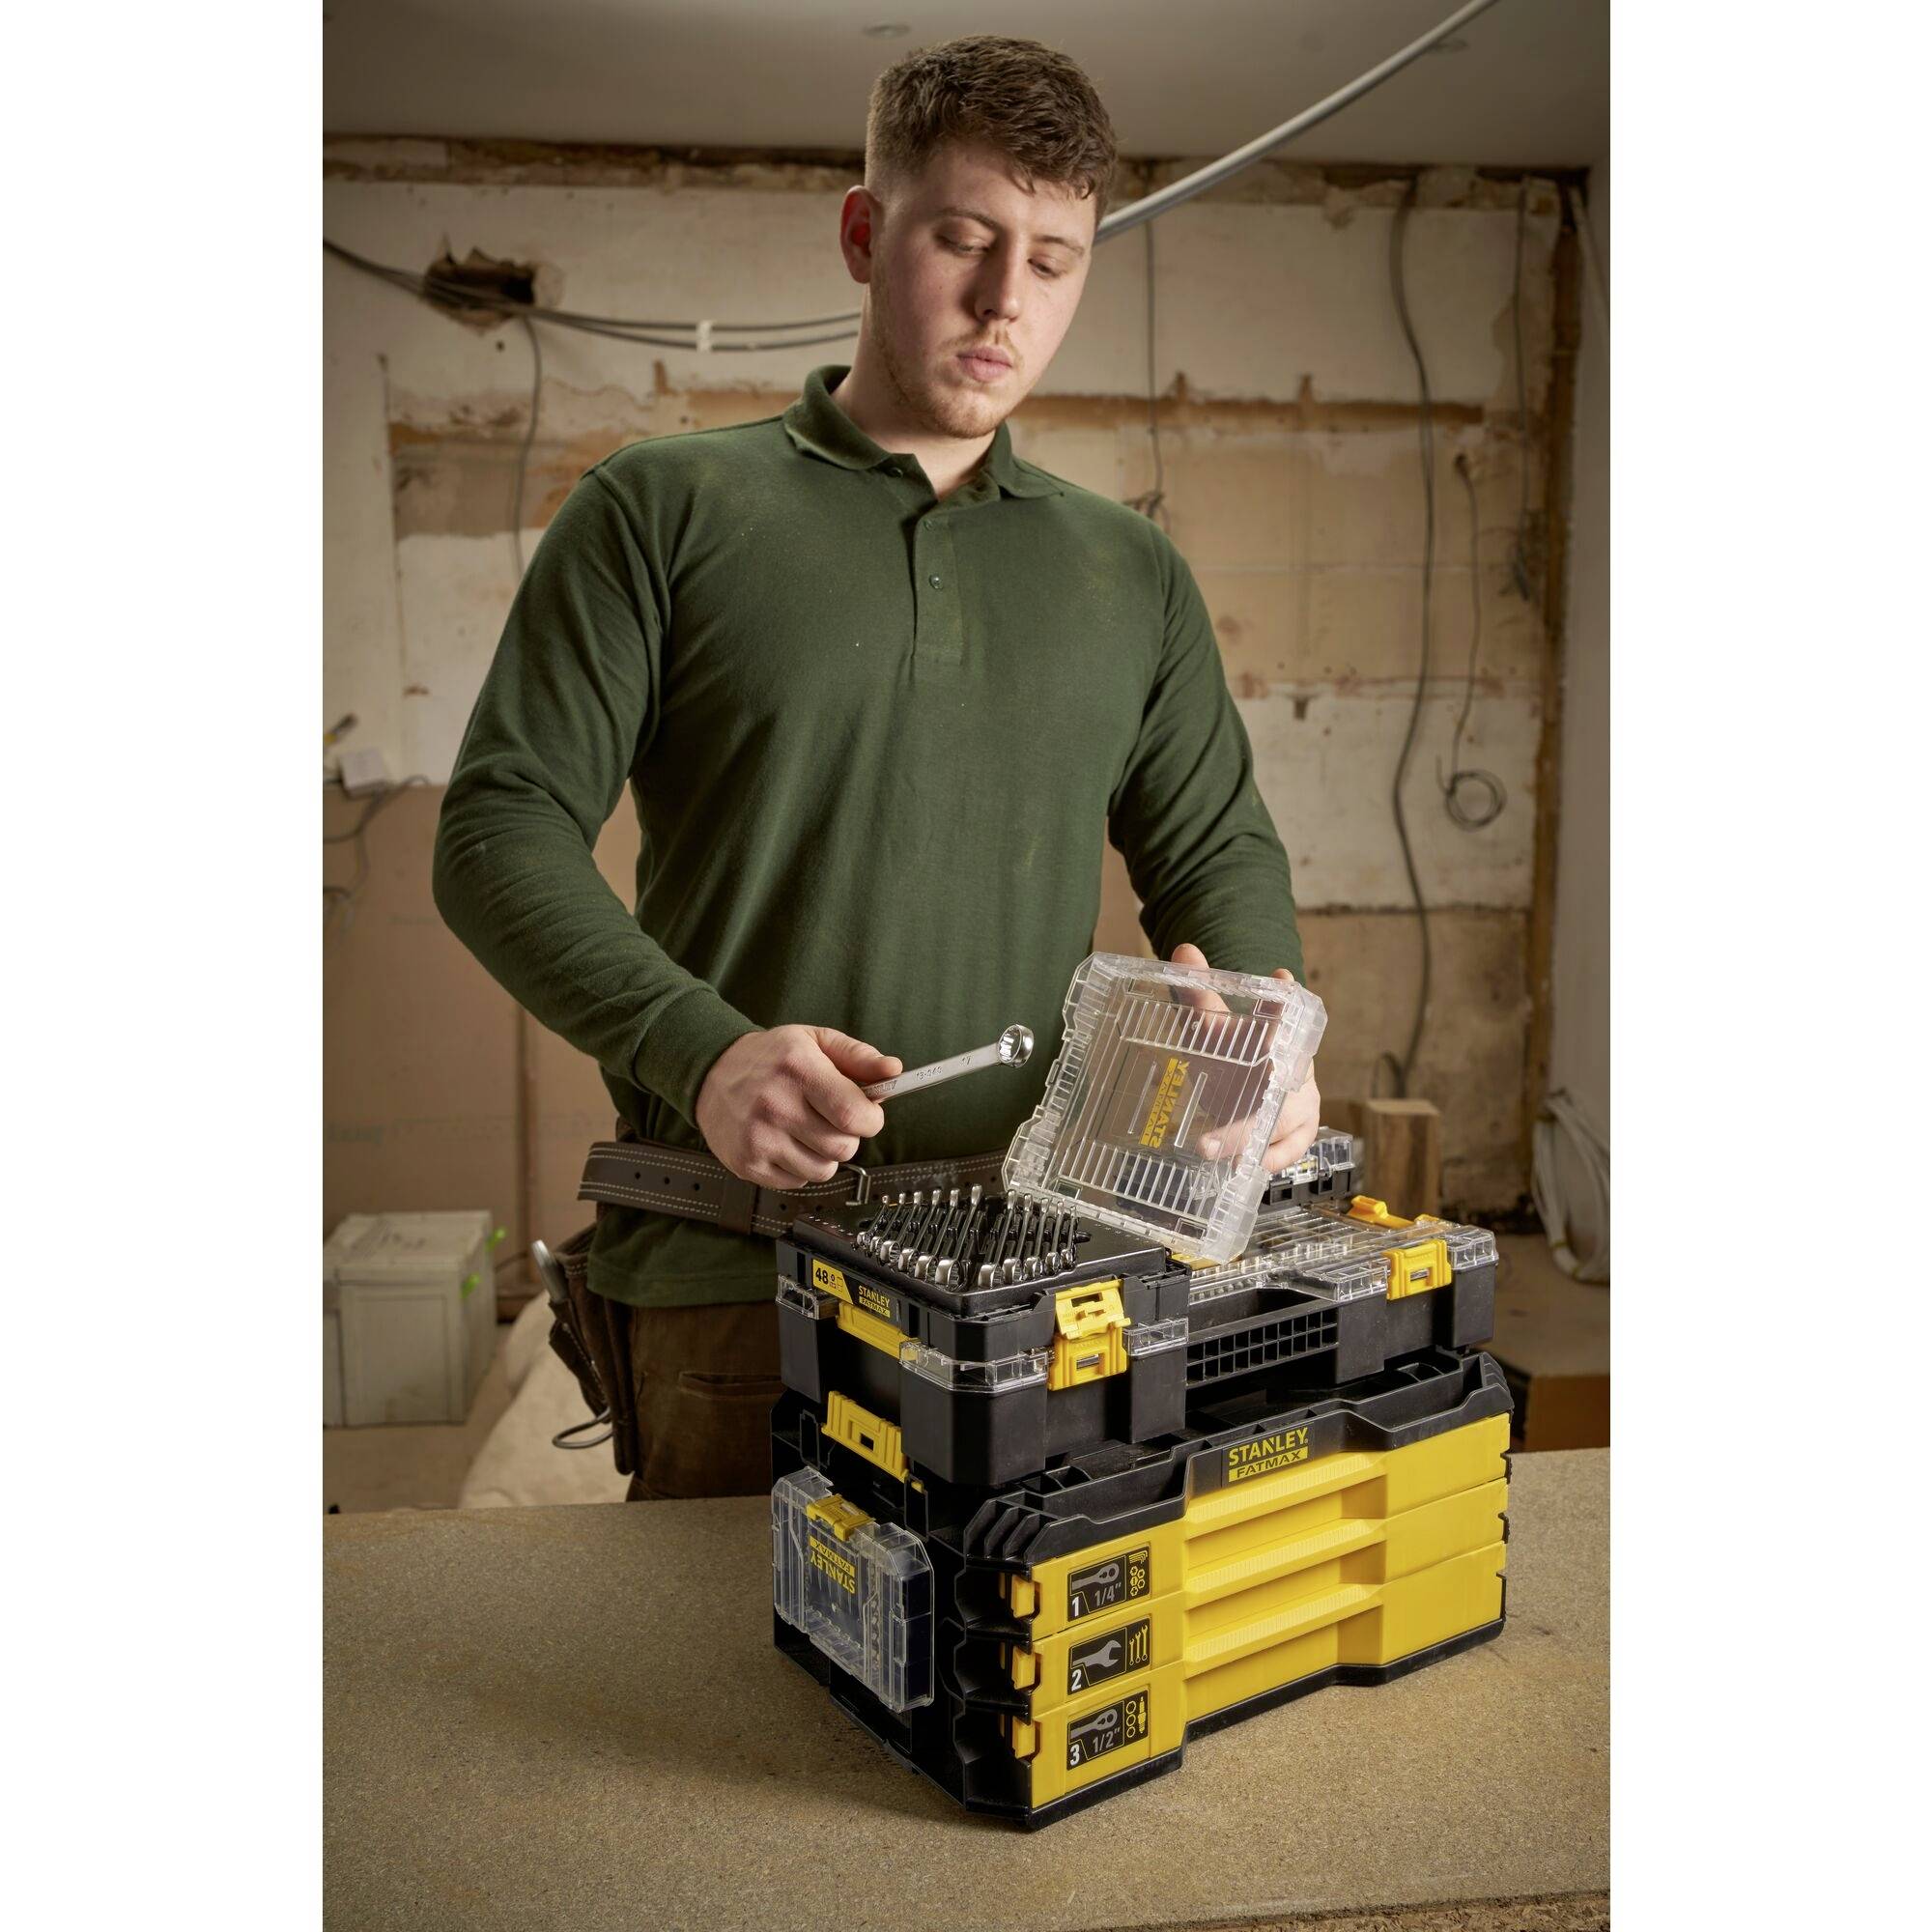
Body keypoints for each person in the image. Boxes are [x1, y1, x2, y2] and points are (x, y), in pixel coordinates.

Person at [433, 34, 1320, 1500]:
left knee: (1017, 1686)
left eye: (1053, 259)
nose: (1004, 302)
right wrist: (701, 1050)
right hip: (739, 1267)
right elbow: (498, 833)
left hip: (1039, 1283)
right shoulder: (661, 510)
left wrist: (1265, 1035)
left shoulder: (1130, 574)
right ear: (866, 231)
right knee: (710, 1712)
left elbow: (1216, 849)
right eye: (963, 239)